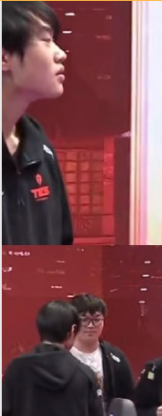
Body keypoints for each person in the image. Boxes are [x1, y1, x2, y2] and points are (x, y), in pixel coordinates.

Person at [2, 1, 73, 245]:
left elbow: (63, 241)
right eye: (46, 40)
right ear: (4, 57)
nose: (61, 53)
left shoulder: (38, 145)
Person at [70, 294, 136, 410]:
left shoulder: (115, 358)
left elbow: (129, 397)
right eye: (84, 320)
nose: (90, 325)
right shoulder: (62, 356)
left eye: (96, 319)